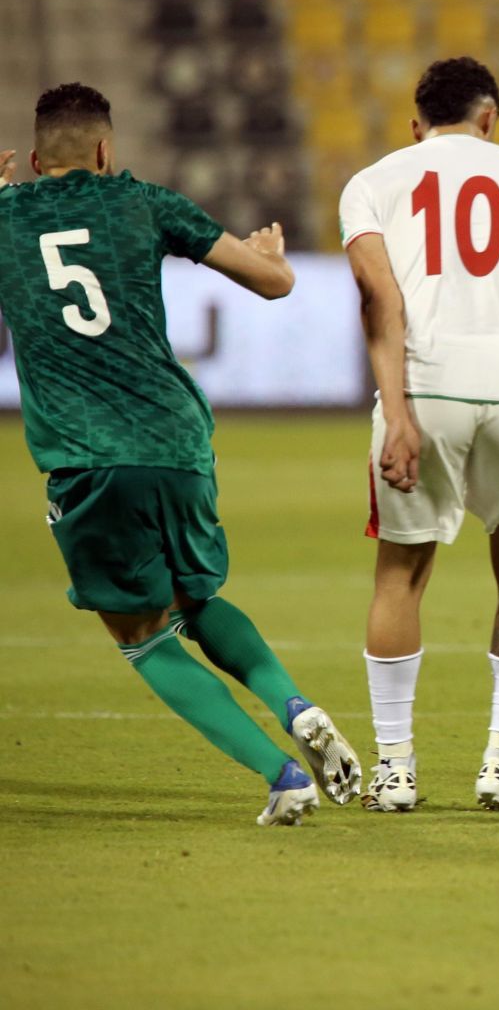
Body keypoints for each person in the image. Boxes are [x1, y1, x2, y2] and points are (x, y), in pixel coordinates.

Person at [0, 83, 359, 825]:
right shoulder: (147, 203)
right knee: (196, 600)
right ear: (106, 151)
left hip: (87, 458)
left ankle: (281, 775)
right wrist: (268, 254)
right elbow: (274, 282)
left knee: (141, 635)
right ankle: (294, 703)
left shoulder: (6, 215)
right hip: (177, 441)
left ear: (35, 158)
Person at [340, 58, 499, 813]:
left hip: (426, 384)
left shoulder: (374, 182)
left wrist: (399, 414)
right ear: (491, 117)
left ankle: (394, 770)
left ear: (417, 125)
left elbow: (379, 300)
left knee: (401, 573)